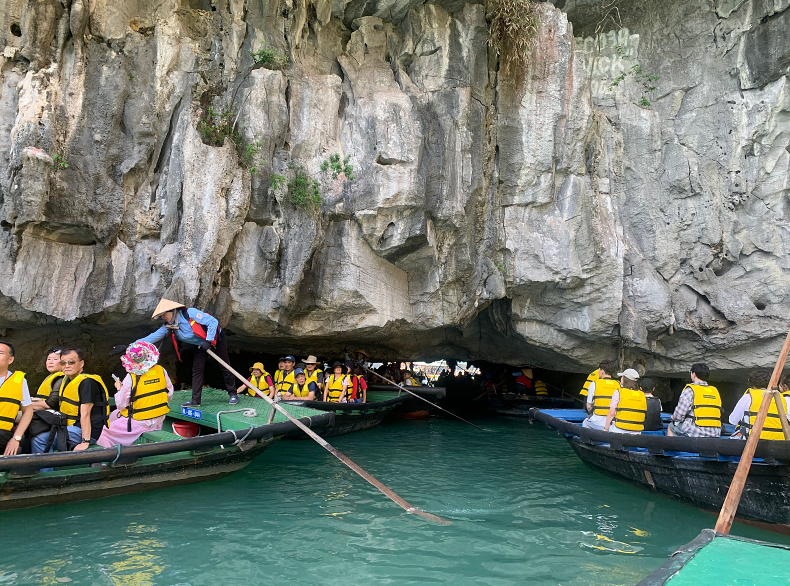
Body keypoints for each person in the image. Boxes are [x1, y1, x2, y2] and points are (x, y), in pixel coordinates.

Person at [114, 298, 238, 407]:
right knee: (197, 369)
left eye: (163, 314)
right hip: (200, 344)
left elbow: (213, 322)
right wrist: (128, 346)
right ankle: (195, 400)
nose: (163, 317)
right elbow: (151, 338)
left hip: (215, 338)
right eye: (161, 316)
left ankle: (233, 394)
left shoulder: (190, 313)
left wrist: (209, 340)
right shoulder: (168, 326)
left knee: (224, 366)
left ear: (172, 311)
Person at [31, 348, 110, 452]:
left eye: (71, 362)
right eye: (63, 363)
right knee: (34, 431)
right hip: (69, 425)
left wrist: (85, 441)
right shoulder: (67, 380)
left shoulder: (87, 383)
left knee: (40, 440)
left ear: (81, 363)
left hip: (86, 431)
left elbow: (85, 414)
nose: (67, 366)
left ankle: (46, 468)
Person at [97, 342, 174, 448]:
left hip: (140, 422)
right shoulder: (161, 370)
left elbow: (121, 405)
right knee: (114, 414)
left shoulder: (131, 378)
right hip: (159, 418)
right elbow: (169, 394)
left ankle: (108, 461)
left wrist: (119, 389)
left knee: (102, 432)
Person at [728, 370, 790, 440]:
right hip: (778, 440)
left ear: (751, 383)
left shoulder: (749, 396)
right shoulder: (780, 398)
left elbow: (733, 420)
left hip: (753, 440)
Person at [667, 363, 721, 437]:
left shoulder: (690, 390)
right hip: (715, 431)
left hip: (695, 430)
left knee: (671, 427)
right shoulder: (715, 391)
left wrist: (674, 418)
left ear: (694, 374)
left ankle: (670, 447)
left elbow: (679, 414)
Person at [0, 341, 34, 456]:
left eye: (0, 353)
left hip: (2, 433)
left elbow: (28, 411)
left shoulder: (19, 380)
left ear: (10, 359)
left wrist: (16, 438)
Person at [583, 360, 620, 430]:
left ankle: (585, 440)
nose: (598, 371)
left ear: (602, 371)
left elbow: (588, 406)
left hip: (597, 422)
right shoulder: (618, 384)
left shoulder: (594, 384)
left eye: (599, 369)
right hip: (613, 424)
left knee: (585, 422)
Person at [603, 369, 642, 434]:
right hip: (636, 433)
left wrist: (606, 428)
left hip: (619, 430)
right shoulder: (642, 395)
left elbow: (612, 413)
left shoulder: (618, 392)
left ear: (625, 379)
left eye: (622, 377)